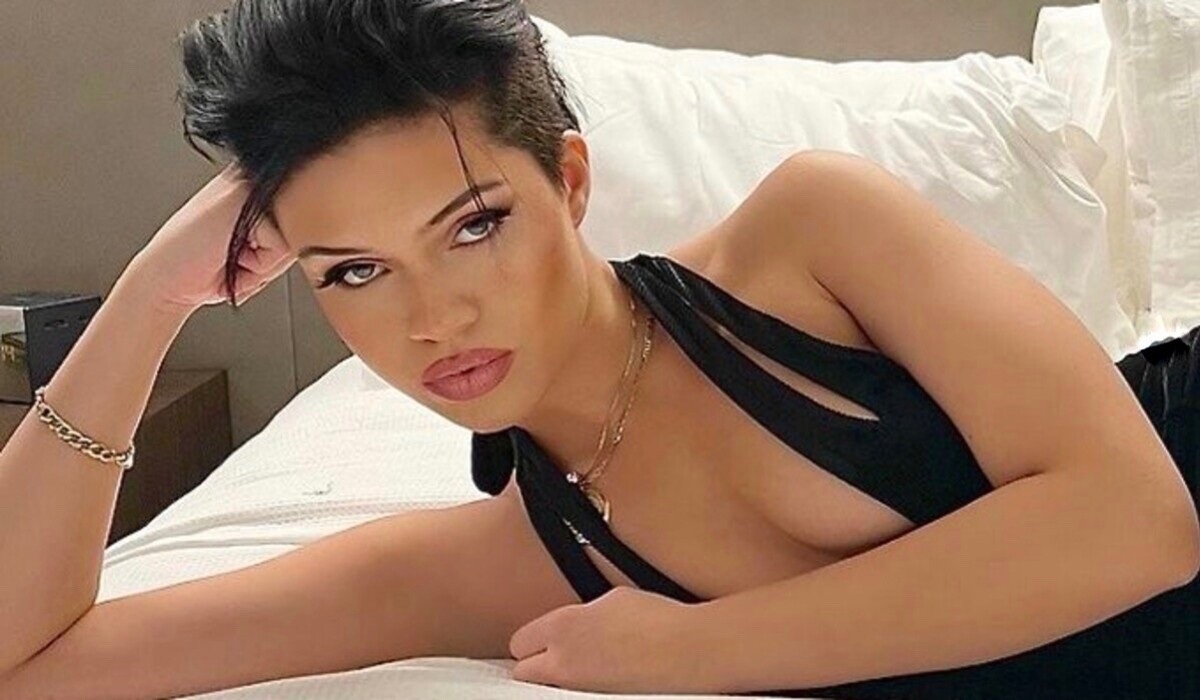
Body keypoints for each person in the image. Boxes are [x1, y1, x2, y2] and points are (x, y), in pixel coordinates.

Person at [0, 1, 1195, 698]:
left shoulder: (811, 236)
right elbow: (30, 661)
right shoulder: (506, 564)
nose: (433, 320)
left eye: (473, 226)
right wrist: (150, 296)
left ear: (570, 182)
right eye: (354, 270)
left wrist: (705, 645)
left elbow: (1138, 519)